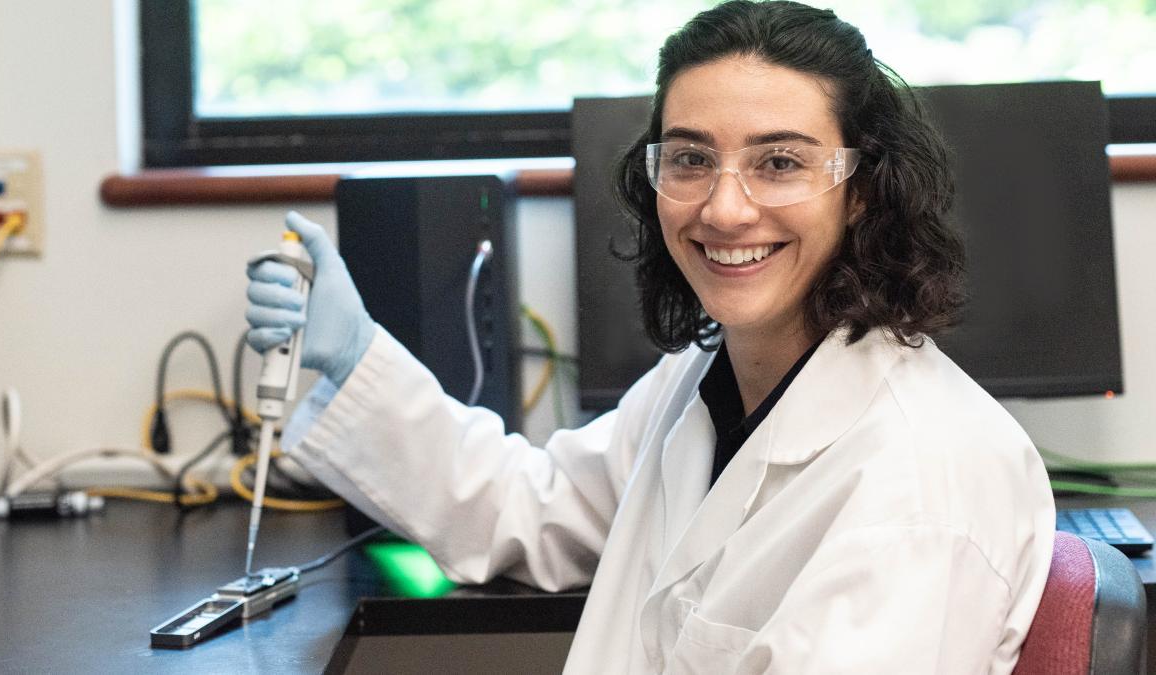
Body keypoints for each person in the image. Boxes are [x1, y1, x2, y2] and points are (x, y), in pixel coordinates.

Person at [245, 1, 1054, 672]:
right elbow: (531, 507)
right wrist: (357, 358)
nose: (725, 209)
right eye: (692, 159)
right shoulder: (703, 380)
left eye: (779, 163)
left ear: (864, 189)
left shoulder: (919, 489)